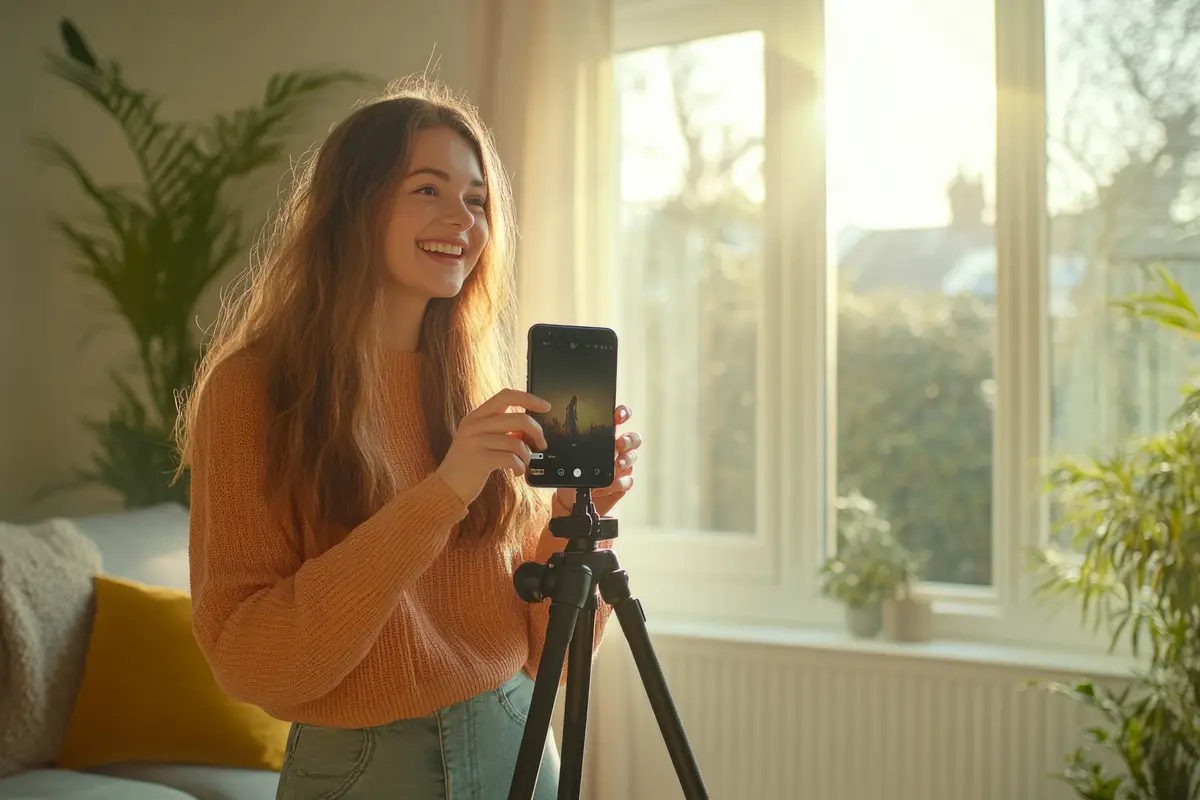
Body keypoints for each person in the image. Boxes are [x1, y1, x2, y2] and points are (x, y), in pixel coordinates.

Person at [174, 79, 642, 799]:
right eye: (428, 189)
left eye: (477, 199)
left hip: (518, 738)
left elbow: (556, 656)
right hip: (366, 768)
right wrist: (445, 492)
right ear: (353, 205)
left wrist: (575, 525)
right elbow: (250, 660)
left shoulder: (471, 392)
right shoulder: (255, 392)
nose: (461, 216)